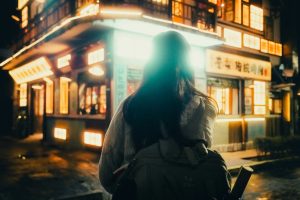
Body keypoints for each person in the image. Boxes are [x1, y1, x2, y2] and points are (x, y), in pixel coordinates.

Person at [99, 31, 230, 199]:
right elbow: (200, 160)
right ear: (187, 62)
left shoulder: (130, 106)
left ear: (152, 62)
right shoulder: (204, 107)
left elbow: (106, 175)